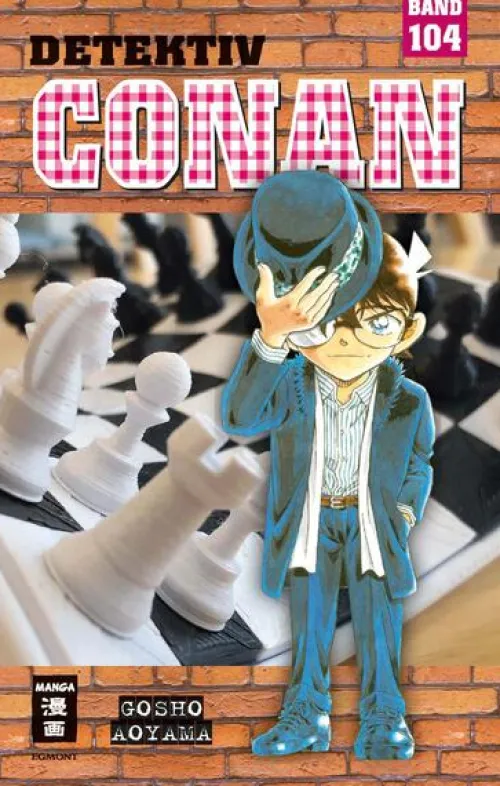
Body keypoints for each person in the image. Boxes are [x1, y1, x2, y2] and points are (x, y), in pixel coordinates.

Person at [221, 171, 434, 760]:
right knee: (308, 633)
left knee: (379, 630)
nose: (345, 341)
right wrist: (270, 339)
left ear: (408, 332)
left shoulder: (409, 400)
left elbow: (421, 461)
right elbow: (240, 416)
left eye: (376, 324)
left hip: (373, 526)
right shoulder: (290, 383)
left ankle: (386, 718)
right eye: (325, 322)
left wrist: (405, 510)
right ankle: (305, 716)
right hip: (309, 524)